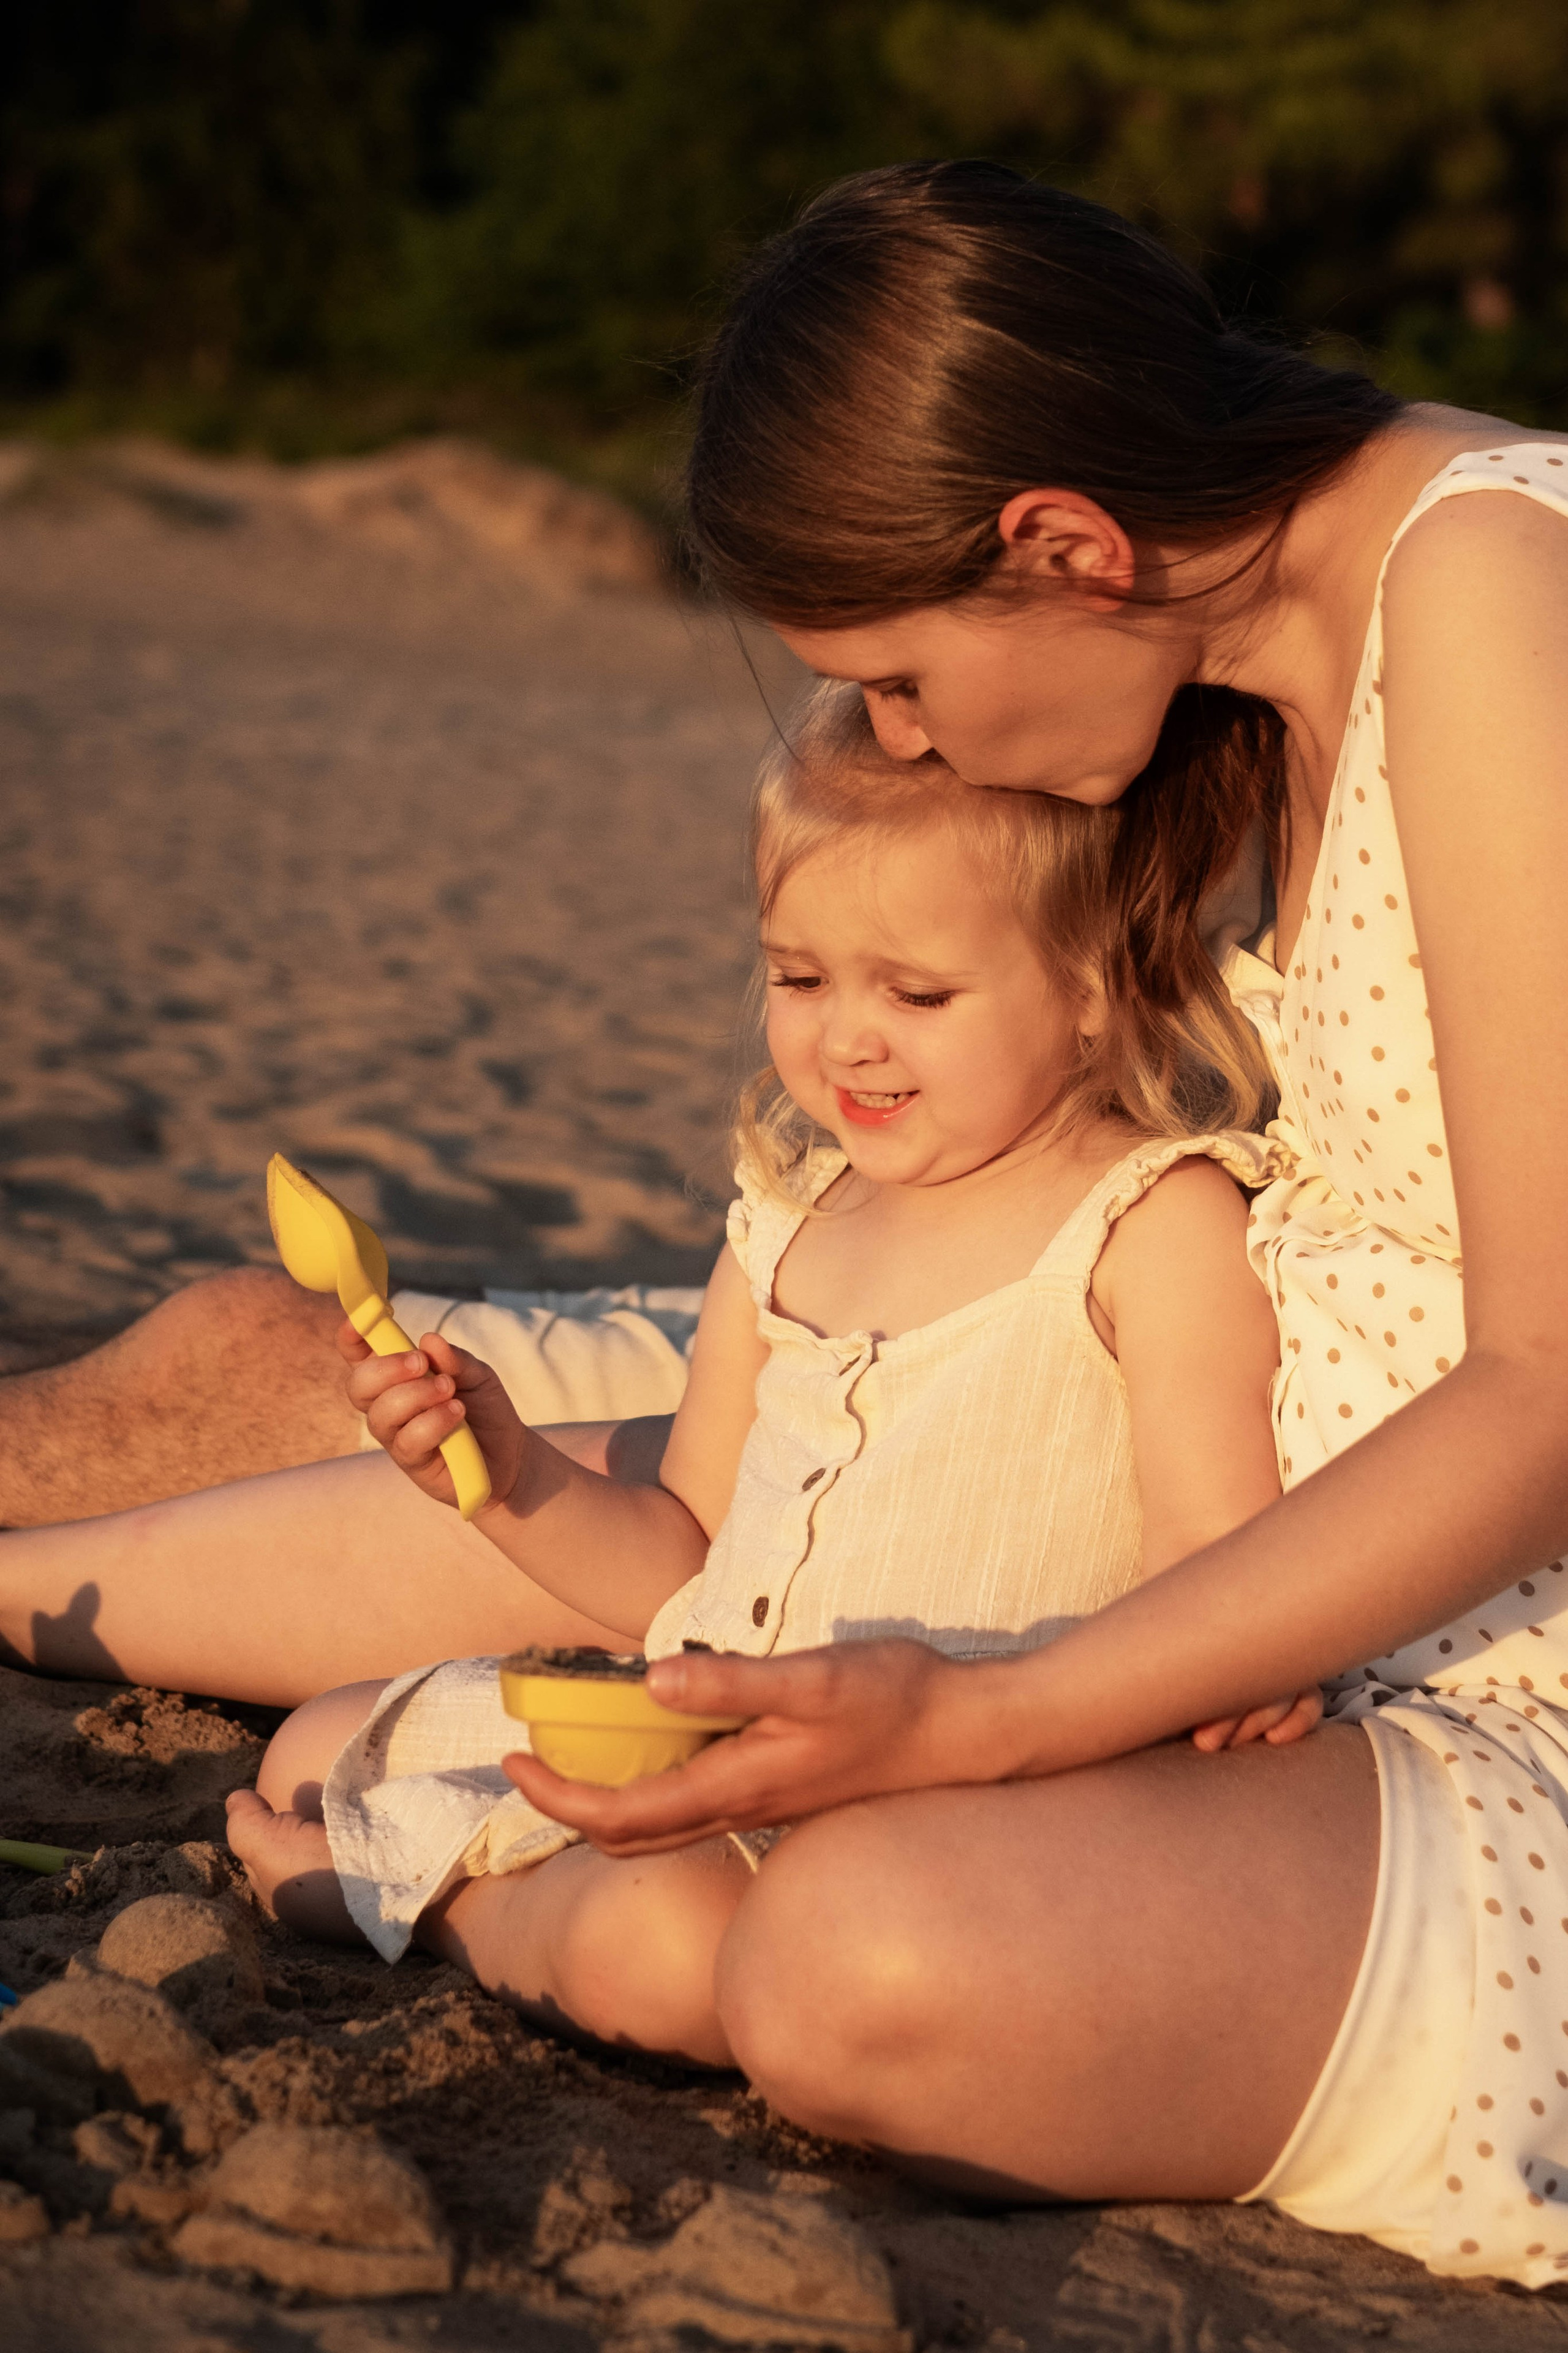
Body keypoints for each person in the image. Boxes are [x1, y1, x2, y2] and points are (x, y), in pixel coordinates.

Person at [3, 154, 1566, 2283]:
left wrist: (989, 1715)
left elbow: (1548, 1377)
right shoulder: (1230, 650)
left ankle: (449, 1862)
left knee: (860, 1964)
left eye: (903, 682)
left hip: (1422, 1621)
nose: (901, 744)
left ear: (1064, 544)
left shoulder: (1497, 591)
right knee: (261, 1361)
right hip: (1137, 1375)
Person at [227, 678, 1310, 2064]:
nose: (843, 1035)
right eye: (798, 977)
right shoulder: (788, 1221)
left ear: (1098, 986)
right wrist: (503, 1478)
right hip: (704, 1740)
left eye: (914, 991)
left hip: (932, 1807)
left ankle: (437, 1905)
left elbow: (1213, 1567)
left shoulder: (1150, 1227)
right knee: (312, 1742)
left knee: (669, 1950)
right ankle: (437, 1854)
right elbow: (678, 1552)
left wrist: (1240, 1663)